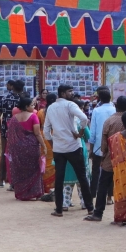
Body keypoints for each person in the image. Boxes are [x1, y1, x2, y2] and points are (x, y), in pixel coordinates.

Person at [43, 84, 92, 217]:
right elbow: (84, 118)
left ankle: (59, 209)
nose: (72, 93)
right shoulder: (70, 105)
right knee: (82, 177)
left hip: (59, 148)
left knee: (59, 179)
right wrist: (80, 132)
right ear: (63, 93)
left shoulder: (51, 108)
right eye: (70, 91)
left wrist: (53, 144)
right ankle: (90, 208)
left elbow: (46, 131)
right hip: (74, 146)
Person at [6, 96, 47, 201]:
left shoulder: (14, 118)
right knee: (34, 169)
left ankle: (22, 193)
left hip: (17, 148)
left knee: (20, 169)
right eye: (32, 105)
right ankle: (35, 193)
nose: (33, 107)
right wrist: (44, 145)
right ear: (26, 106)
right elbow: (37, 134)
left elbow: (10, 134)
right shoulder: (33, 116)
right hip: (31, 146)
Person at [87, 88, 116, 198]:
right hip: (112, 145)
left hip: (98, 146)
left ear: (100, 99)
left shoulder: (97, 110)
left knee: (95, 170)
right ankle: (109, 196)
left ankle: (93, 193)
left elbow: (93, 131)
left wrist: (91, 148)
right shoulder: (114, 110)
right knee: (111, 171)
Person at [0, 80, 23, 188]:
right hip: (20, 130)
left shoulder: (4, 98)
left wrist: (1, 129)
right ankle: (15, 182)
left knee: (4, 153)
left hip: (6, 129)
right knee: (18, 154)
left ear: (13, 87)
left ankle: (0, 180)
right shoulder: (23, 100)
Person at [38, 94, 57, 199]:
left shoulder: (41, 112)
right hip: (55, 136)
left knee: (45, 161)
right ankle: (53, 186)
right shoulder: (56, 111)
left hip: (44, 136)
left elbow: (38, 125)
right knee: (54, 161)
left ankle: (45, 186)